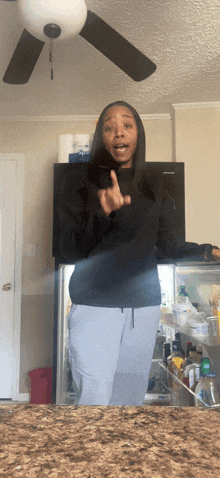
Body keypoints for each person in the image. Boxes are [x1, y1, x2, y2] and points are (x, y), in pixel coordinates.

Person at [58, 100, 220, 406]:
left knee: (129, 402)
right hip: (95, 306)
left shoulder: (154, 184)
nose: (119, 132)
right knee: (95, 401)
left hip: (143, 308)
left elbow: (167, 246)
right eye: (109, 127)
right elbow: (69, 248)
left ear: (137, 133)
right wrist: (101, 213)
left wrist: (209, 250)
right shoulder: (80, 180)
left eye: (127, 125)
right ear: (102, 137)